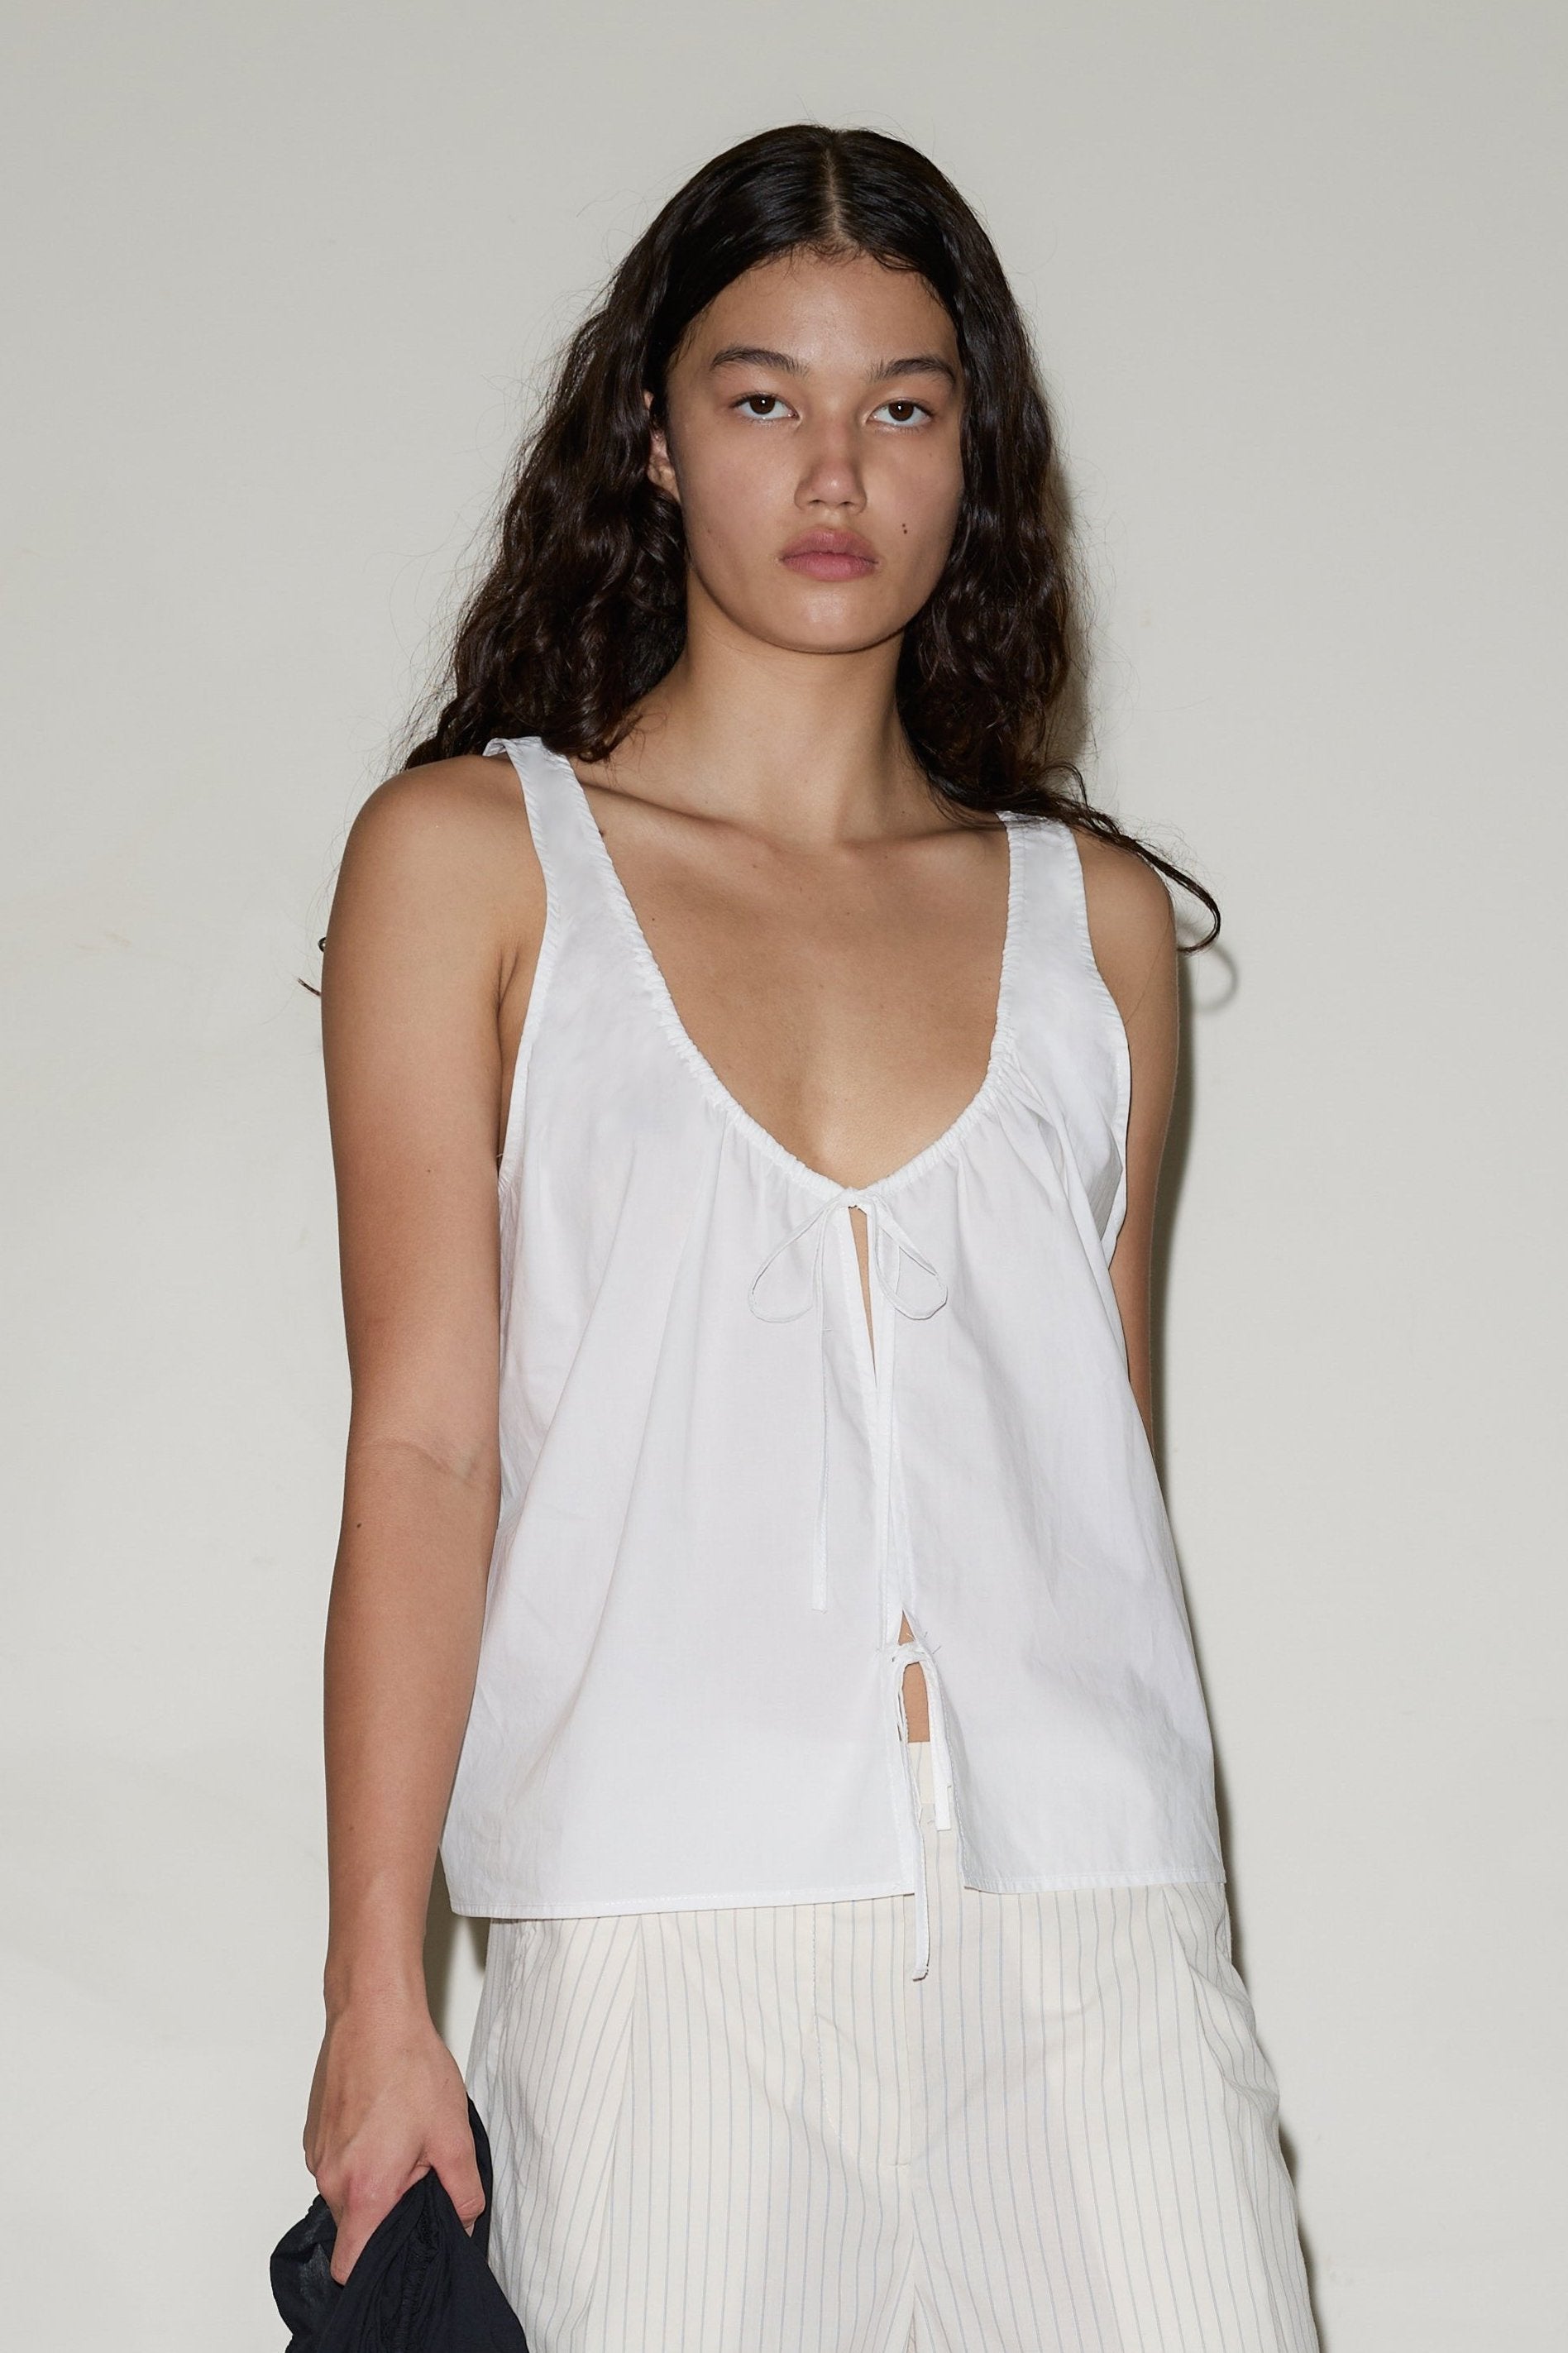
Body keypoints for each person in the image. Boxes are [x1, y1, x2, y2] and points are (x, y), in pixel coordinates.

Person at [302, 122, 1321, 2353]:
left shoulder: (1095, 926)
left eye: (906, 405)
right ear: (653, 445)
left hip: (1100, 1931)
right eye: (762, 397)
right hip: (666, 1957)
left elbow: (1098, 1469)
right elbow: (425, 1453)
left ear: (980, 457)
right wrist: (381, 1994)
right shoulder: (472, 863)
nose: (835, 469)